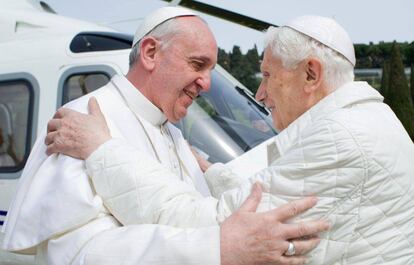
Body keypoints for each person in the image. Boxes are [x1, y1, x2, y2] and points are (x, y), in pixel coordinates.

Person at [44, 15, 414, 264]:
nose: (262, 92)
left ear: (311, 74)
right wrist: (210, 172)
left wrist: (103, 150)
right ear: (150, 53)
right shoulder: (368, 120)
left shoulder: (341, 139)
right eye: (196, 65)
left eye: (267, 75)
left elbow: (208, 226)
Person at [1, 7, 328, 265]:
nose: (206, 83)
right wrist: (216, 250)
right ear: (150, 53)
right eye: (197, 64)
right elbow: (76, 254)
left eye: (210, 71)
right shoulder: (81, 122)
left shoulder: (171, 132)